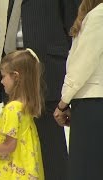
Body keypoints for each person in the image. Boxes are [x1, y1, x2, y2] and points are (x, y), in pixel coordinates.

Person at [0, 0, 78, 179]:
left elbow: (74, 25)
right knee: (20, 142)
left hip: (46, 69)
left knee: (49, 144)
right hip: (16, 71)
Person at [0, 49, 44, 179]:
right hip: (24, 166)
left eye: (3, 76)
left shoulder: (13, 108)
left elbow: (9, 145)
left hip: (10, 171)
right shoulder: (26, 106)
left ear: (16, 77)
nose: (1, 82)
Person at [53, 1, 103, 179]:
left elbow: (82, 65)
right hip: (93, 103)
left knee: (86, 170)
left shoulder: (98, 15)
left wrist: (62, 103)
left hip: (92, 104)